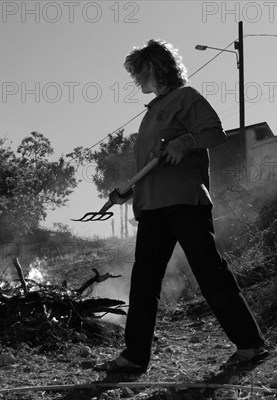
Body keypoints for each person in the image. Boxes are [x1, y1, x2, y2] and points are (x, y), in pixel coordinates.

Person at [93, 39, 267, 373]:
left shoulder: (185, 98)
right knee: (143, 282)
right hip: (154, 207)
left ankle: (250, 344)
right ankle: (134, 357)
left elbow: (214, 132)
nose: (136, 81)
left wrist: (185, 141)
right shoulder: (152, 113)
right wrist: (125, 193)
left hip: (186, 201)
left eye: (139, 73)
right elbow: (153, 165)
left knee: (209, 271)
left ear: (155, 69)